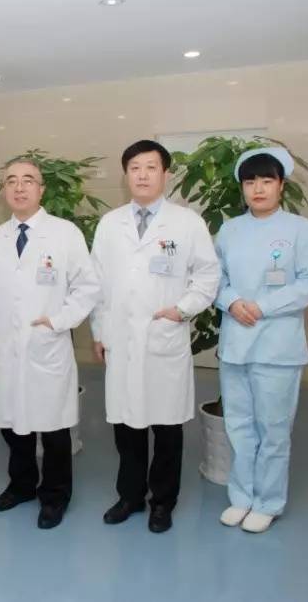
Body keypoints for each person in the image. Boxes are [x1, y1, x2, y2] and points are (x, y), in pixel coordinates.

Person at [91, 140, 219, 533]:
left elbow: (208, 275)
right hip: (120, 338)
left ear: (166, 174)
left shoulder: (187, 223)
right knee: (126, 426)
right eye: (134, 168)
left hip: (164, 336)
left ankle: (162, 502)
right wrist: (99, 331)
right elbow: (97, 283)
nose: (142, 175)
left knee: (166, 427)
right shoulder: (110, 224)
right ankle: (129, 496)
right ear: (126, 175)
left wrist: (182, 309)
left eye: (150, 167)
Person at [0, 158, 99, 529]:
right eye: (11, 181)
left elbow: (88, 287)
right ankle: (22, 485)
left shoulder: (64, 234)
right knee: (13, 424)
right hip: (6, 347)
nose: (19, 187)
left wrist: (58, 321)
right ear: (4, 190)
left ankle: (55, 495)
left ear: (41, 189)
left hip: (48, 345)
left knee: (54, 427)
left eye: (28, 180)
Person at [214, 147, 308, 533]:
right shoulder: (229, 230)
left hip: (278, 347)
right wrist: (232, 302)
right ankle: (242, 497)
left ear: (281, 185)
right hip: (236, 344)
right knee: (239, 427)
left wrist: (263, 306)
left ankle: (268, 501)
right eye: (250, 182)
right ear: (242, 188)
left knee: (274, 430)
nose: (258, 189)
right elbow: (215, 278)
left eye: (266, 181)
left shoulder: (299, 229)